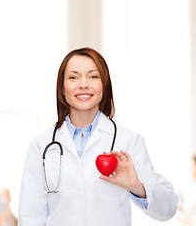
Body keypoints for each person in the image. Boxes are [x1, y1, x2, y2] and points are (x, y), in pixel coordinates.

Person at [18, 47, 178, 226]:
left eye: (93, 76)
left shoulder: (128, 141)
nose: (83, 84)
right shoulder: (42, 145)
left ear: (104, 85)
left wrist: (137, 187)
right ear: (62, 88)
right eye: (73, 77)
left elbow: (169, 207)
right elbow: (30, 217)